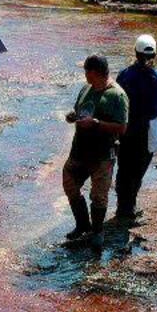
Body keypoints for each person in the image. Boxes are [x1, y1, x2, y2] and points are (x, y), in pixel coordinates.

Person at [63, 55, 129, 245]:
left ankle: (98, 233)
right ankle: (83, 224)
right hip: (79, 151)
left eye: (86, 71)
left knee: (99, 196)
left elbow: (122, 128)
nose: (85, 75)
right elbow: (80, 111)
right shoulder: (86, 89)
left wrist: (96, 124)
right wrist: (73, 117)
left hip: (102, 156)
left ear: (94, 72)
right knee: (69, 183)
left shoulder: (117, 95)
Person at [114, 34, 157, 221]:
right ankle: (129, 207)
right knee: (138, 170)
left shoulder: (124, 74)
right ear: (154, 54)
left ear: (135, 52)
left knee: (123, 169)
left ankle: (122, 208)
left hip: (125, 130)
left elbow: (116, 102)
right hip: (147, 132)